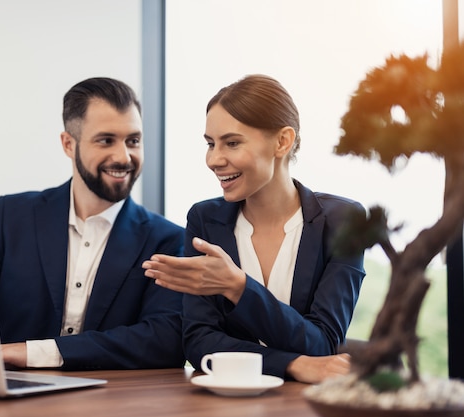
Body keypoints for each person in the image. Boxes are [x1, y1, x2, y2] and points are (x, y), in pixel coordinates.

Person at [142, 74, 365, 383]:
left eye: (232, 143)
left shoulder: (343, 220)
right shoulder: (204, 219)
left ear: (282, 141)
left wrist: (238, 287)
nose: (214, 159)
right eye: (210, 144)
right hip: (223, 403)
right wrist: (293, 365)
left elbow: (322, 343)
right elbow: (198, 344)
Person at [0, 77, 185, 370]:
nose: (123, 156)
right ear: (68, 144)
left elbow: (164, 340)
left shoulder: (169, 240)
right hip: (12, 400)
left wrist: (36, 353)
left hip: (113, 402)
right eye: (106, 140)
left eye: (133, 141)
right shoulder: (12, 216)